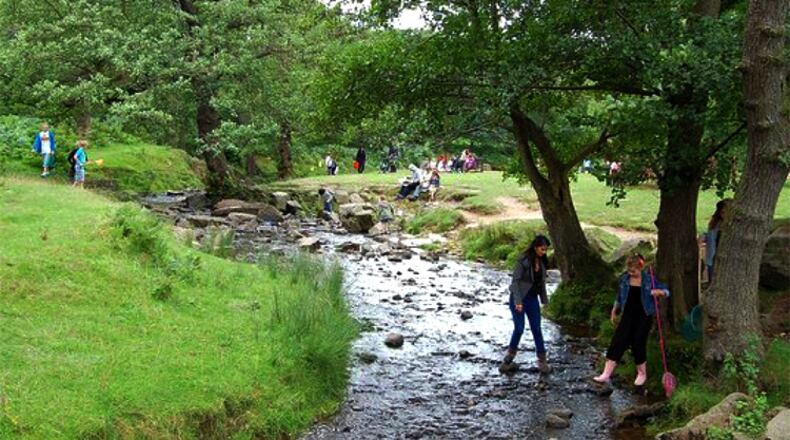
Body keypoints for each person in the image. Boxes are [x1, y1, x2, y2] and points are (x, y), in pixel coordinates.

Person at [593, 254, 670, 386]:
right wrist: (614, 310)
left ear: (641, 267)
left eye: (633, 271)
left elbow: (667, 291)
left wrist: (659, 292)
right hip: (627, 315)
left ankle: (642, 373)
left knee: (638, 342)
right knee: (618, 341)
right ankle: (606, 374)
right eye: (629, 271)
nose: (631, 273)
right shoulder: (624, 279)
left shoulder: (648, 279)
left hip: (644, 316)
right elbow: (619, 296)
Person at [502, 235, 552, 373]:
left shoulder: (542, 262)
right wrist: (518, 301)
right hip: (519, 298)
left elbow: (541, 283)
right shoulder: (523, 260)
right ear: (535, 247)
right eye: (542, 249)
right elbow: (515, 282)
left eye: (546, 249)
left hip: (532, 299)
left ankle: (542, 361)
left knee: (536, 328)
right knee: (519, 328)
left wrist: (545, 301)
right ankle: (509, 357)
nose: (544, 252)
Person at [701, 199, 731, 282]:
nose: (724, 215)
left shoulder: (734, 226)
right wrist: (703, 237)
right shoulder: (715, 224)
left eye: (726, 213)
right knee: (713, 280)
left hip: (728, 259)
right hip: (714, 257)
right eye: (722, 212)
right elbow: (711, 236)